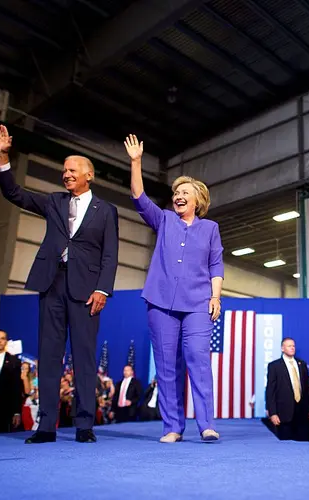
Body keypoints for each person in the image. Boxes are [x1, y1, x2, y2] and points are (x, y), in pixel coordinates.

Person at [0, 125, 119, 444]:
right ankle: (46, 425)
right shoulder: (54, 202)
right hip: (52, 283)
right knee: (49, 355)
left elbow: (110, 254)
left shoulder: (107, 211)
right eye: (64, 170)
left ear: (89, 175)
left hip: (87, 291)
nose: (66, 174)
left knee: (85, 357)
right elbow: (14, 193)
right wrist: (3, 156)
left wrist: (103, 289)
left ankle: (85, 424)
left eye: (72, 170)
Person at [125, 134, 224, 443]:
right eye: (176, 192)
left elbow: (216, 266)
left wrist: (216, 297)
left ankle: (206, 424)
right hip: (161, 302)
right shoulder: (164, 219)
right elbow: (139, 197)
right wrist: (136, 162)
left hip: (198, 302)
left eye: (185, 192)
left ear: (198, 201)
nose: (178, 195)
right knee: (167, 365)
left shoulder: (210, 229)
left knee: (197, 357)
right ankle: (172, 427)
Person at [266, 338, 309, 441]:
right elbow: (270, 391)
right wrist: (273, 413)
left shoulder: (302, 364)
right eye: (289, 346)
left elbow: (308, 389)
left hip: (302, 412)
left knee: (303, 442)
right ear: (282, 348)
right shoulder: (274, 366)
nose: (292, 348)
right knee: (286, 444)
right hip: (283, 413)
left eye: (293, 346)